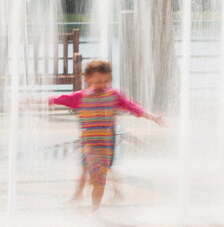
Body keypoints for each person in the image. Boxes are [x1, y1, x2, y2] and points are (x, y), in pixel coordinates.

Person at [49, 59, 164, 211]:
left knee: (99, 177)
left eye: (105, 81)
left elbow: (133, 108)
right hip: (88, 143)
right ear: (87, 79)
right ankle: (89, 203)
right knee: (91, 172)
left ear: (110, 79)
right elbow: (60, 99)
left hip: (105, 145)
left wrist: (153, 117)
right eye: (97, 82)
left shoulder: (113, 96)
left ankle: (94, 209)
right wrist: (34, 102)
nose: (101, 85)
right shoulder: (81, 96)